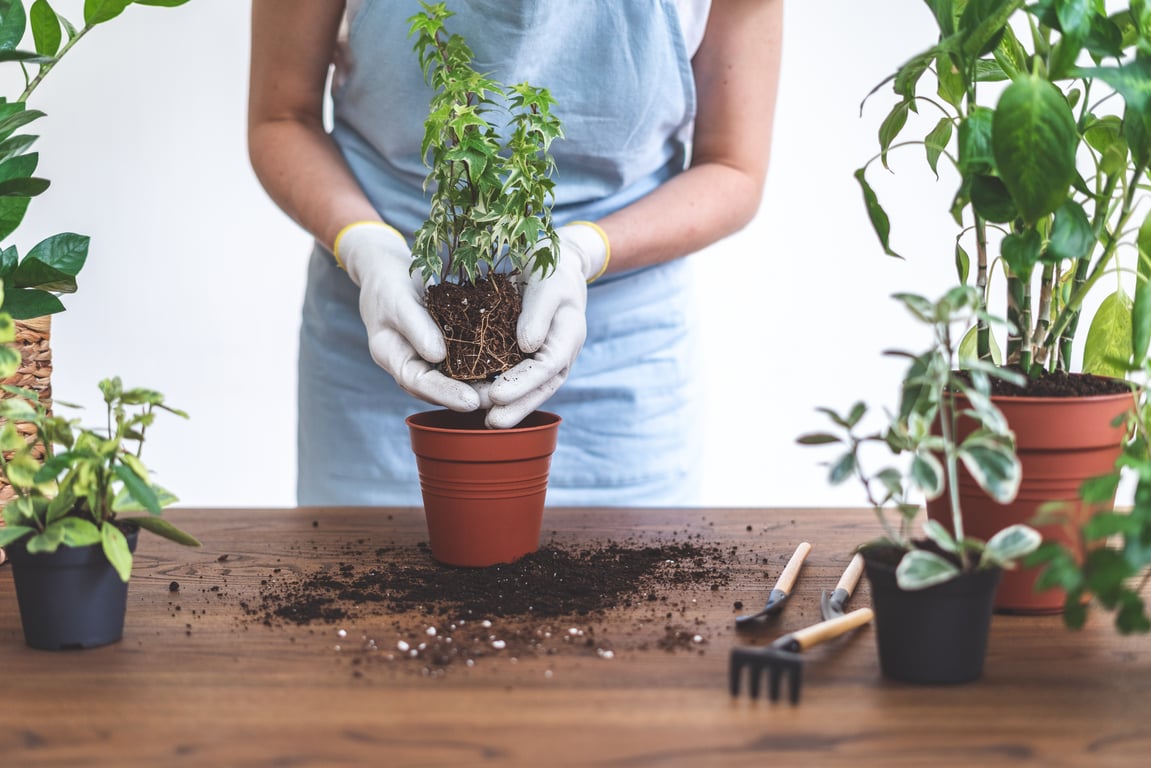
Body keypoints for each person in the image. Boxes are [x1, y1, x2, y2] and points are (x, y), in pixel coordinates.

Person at [248, 0, 782, 507]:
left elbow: (733, 167)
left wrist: (580, 252)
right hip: (376, 350)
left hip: (620, 368)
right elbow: (281, 117)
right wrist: (364, 243)